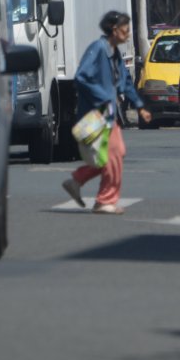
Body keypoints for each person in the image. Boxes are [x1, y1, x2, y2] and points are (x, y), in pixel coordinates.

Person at [61, 11, 153, 214]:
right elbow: (81, 77)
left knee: (115, 154)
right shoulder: (98, 49)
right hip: (97, 114)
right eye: (126, 30)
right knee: (112, 156)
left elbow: (126, 83)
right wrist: (103, 97)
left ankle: (78, 180)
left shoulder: (115, 54)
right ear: (114, 30)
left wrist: (139, 106)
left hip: (109, 114)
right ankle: (104, 200)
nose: (128, 34)